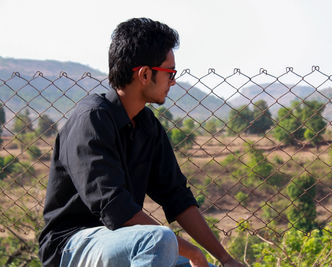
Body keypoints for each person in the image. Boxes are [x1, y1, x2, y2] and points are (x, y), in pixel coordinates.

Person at [38, 18, 245, 267]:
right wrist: (191, 252)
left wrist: (224, 258)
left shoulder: (147, 125)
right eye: (170, 73)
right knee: (159, 240)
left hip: (124, 240)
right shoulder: (92, 119)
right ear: (145, 74)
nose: (174, 82)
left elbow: (177, 196)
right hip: (72, 246)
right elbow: (115, 208)